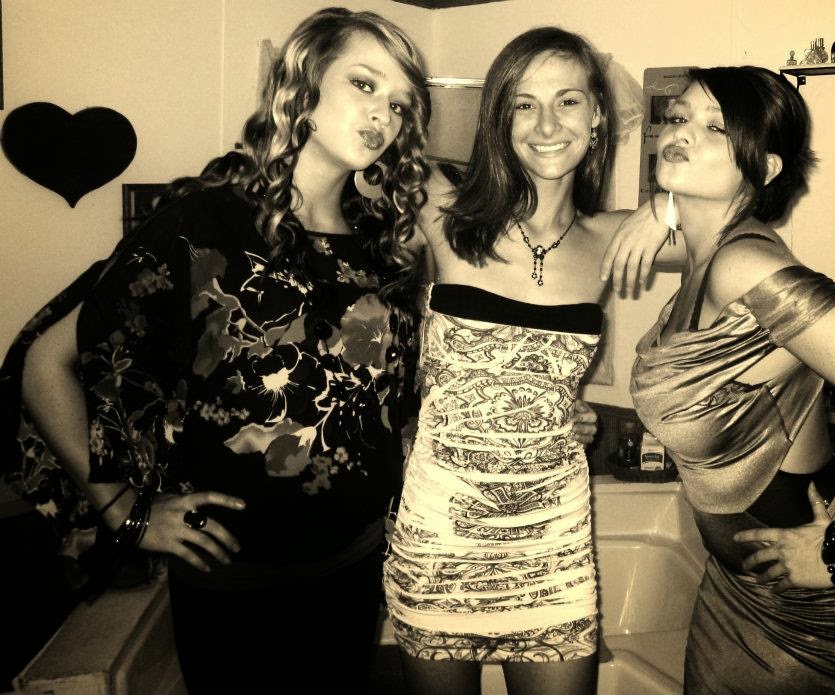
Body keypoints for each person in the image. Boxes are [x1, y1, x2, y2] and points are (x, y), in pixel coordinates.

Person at [1, 7, 432, 692]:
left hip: (356, 567)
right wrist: (124, 511)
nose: (385, 112)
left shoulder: (386, 247)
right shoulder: (203, 224)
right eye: (364, 83)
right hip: (236, 586)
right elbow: (44, 363)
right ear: (304, 84)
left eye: (401, 102)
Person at [618, 65, 835, 693]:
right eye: (679, 117)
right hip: (740, 586)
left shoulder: (745, 265)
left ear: (765, 168)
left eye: (716, 128)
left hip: (813, 611)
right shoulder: (711, 249)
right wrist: (661, 206)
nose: (682, 132)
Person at [381, 26, 667, 695]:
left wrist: (669, 206)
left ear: (597, 118)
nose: (546, 125)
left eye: (568, 101)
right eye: (523, 104)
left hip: (553, 544)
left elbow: (745, 215)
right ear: (499, 119)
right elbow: (342, 158)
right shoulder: (442, 206)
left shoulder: (614, 236)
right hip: (440, 537)